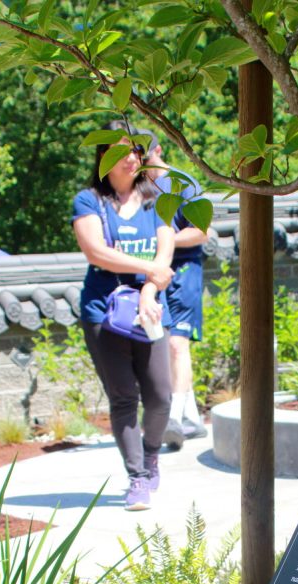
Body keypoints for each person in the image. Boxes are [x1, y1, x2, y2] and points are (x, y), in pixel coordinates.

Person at [72, 121, 175, 511]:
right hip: (104, 312)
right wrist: (147, 268)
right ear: (103, 156)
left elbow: (164, 258)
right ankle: (137, 479)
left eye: (136, 149)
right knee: (123, 398)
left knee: (160, 396)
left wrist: (149, 287)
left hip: (148, 310)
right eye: (121, 150)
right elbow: (96, 252)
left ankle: (151, 456)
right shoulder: (89, 200)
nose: (131, 157)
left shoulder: (158, 199)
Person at [142, 136, 209, 449]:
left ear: (158, 150)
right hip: (150, 273)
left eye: (143, 155)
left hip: (182, 271)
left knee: (177, 344)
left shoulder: (183, 184)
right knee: (161, 343)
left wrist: (165, 240)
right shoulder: (137, 190)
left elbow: (201, 233)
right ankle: (192, 419)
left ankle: (174, 417)